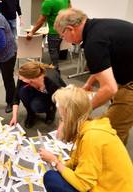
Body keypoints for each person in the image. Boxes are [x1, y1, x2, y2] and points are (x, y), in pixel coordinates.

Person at [54, 8, 133, 145]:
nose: (64, 39)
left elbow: (110, 88)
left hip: (129, 83)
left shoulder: (94, 43)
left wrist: (82, 111)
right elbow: (104, 65)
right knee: (118, 125)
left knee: (107, 132)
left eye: (62, 35)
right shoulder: (97, 27)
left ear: (69, 29)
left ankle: (112, 162)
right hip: (126, 76)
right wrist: (89, 83)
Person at [39, 85, 133, 192]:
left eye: (62, 118)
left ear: (70, 116)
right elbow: (76, 158)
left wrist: (55, 162)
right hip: (111, 184)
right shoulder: (89, 127)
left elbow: (83, 184)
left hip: (110, 188)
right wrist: (63, 165)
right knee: (60, 174)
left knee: (51, 178)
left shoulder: (92, 137)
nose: (60, 122)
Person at [9, 62, 66, 128]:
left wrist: (63, 122)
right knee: (22, 92)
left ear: (31, 78)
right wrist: (14, 117)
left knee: (36, 106)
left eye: (22, 78)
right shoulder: (25, 76)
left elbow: (65, 102)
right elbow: (16, 96)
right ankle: (31, 113)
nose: (20, 78)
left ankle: (50, 111)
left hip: (51, 96)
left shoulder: (52, 81)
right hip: (36, 91)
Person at [27, 0, 70, 72]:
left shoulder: (48, 2)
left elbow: (41, 20)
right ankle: (54, 65)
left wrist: (32, 32)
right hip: (64, 30)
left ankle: (55, 71)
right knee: (56, 50)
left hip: (54, 32)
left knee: (53, 51)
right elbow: (70, 12)